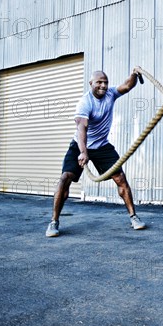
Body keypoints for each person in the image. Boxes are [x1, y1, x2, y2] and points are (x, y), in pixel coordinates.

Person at [46, 68, 146, 237]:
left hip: (102, 146)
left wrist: (134, 74)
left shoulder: (111, 94)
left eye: (105, 82)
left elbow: (127, 86)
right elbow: (82, 128)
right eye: (99, 82)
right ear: (91, 83)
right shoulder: (85, 102)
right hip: (80, 144)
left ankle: (134, 217)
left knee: (120, 178)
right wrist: (83, 152)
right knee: (65, 178)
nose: (103, 85)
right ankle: (54, 222)